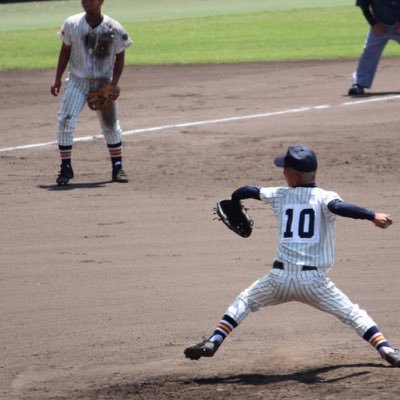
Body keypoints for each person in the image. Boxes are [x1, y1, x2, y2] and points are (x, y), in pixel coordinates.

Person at [184, 144, 400, 367]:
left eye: (285, 170)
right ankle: (385, 349)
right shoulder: (325, 197)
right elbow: (340, 208)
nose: (283, 173)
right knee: (353, 314)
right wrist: (372, 215)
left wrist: (235, 199)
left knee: (246, 300)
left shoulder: (280, 195)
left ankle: (214, 340)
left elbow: (248, 190)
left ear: (295, 177)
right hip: (315, 283)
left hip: (278, 279)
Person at [51, 0, 133, 185]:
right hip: (77, 82)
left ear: (101, 2)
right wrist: (57, 78)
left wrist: (113, 84)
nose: (87, 2)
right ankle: (66, 168)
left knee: (110, 125)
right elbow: (65, 51)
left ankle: (117, 168)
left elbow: (120, 57)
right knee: (65, 120)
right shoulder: (72, 24)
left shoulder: (114, 27)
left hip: (102, 83)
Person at [348, 0, 400, 96]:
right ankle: (359, 84)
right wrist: (373, 24)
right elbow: (364, 6)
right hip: (380, 26)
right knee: (368, 53)